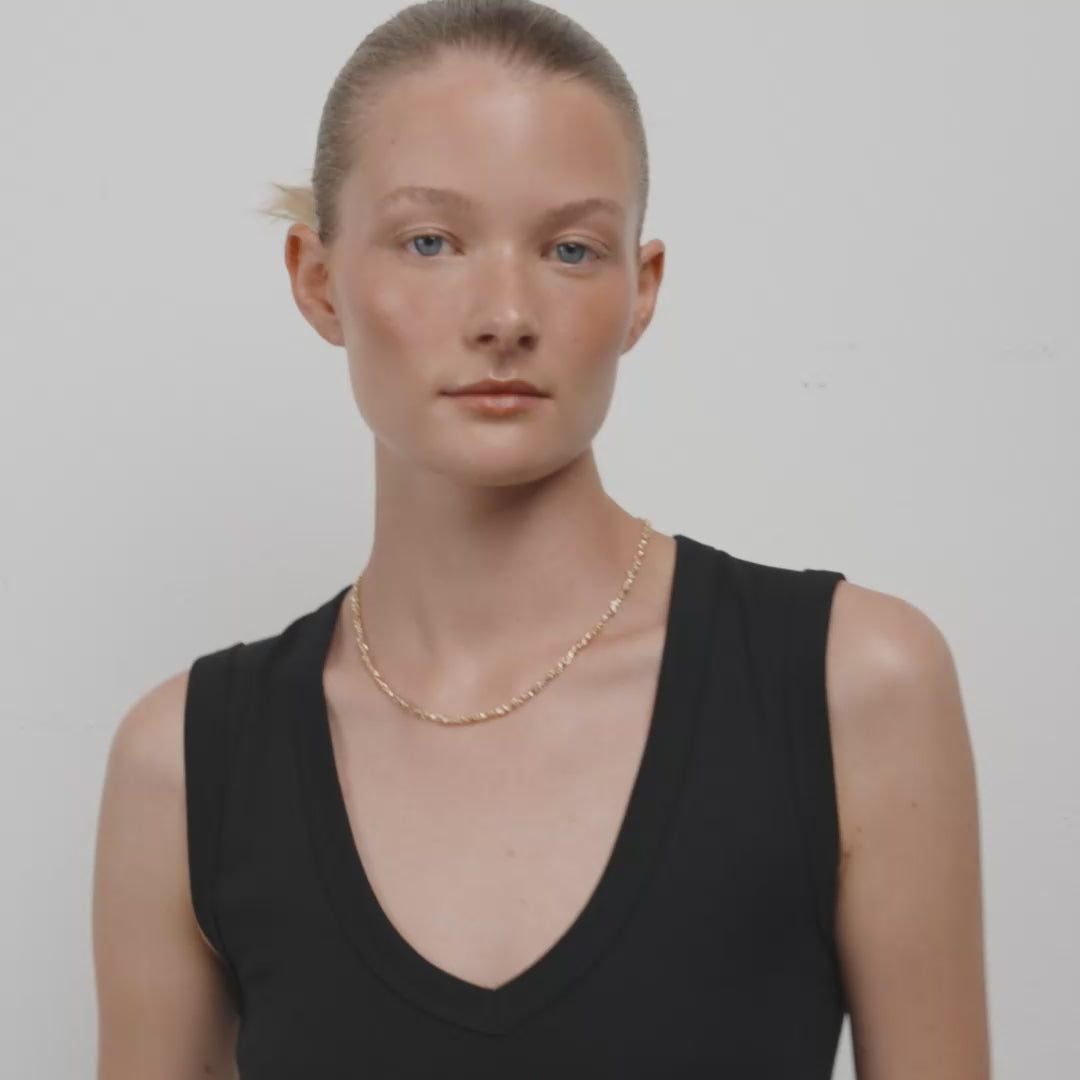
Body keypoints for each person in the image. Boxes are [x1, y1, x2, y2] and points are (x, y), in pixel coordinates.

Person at [91, 1, 991, 1076]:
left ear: (640, 292)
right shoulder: (188, 765)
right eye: (431, 242)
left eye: (570, 249)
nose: (505, 315)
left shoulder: (853, 686)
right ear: (317, 280)